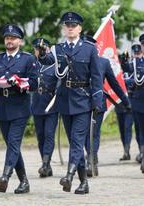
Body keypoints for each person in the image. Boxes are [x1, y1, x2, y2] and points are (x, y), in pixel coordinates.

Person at [41, 12, 103, 194]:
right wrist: (42, 54)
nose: (70, 28)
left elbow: (97, 78)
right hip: (64, 99)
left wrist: (97, 101)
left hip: (83, 99)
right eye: (67, 25)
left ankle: (69, 175)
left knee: (77, 140)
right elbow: (47, 62)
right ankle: (84, 183)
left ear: (79, 29)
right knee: (73, 140)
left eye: (73, 25)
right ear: (63, 29)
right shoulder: (58, 48)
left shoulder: (89, 49)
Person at [0, 24, 37, 194]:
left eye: (13, 38)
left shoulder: (27, 59)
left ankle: (5, 176)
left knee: (14, 143)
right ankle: (24, 181)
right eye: (7, 38)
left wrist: (19, 83)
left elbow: (34, 84)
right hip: (3, 106)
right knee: (11, 146)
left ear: (20, 41)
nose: (9, 41)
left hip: (20, 106)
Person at [82, 35, 131, 177]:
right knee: (84, 132)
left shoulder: (103, 62)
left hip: (99, 102)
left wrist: (125, 101)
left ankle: (91, 159)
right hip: (81, 102)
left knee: (94, 132)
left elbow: (114, 84)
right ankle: (91, 156)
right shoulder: (78, 61)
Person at [31, 38, 58, 178]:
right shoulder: (32, 64)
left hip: (51, 104)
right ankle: (45, 164)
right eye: (37, 49)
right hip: (37, 103)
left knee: (49, 134)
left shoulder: (54, 65)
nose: (39, 51)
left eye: (42, 48)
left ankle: (46, 163)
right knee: (41, 136)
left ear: (47, 49)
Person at [116, 44, 143, 162]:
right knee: (124, 128)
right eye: (135, 54)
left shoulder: (138, 66)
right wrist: (122, 62)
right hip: (123, 102)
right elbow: (119, 80)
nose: (136, 55)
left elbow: (132, 81)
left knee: (133, 128)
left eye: (138, 53)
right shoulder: (130, 66)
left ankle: (141, 152)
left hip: (134, 100)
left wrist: (129, 82)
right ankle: (127, 151)